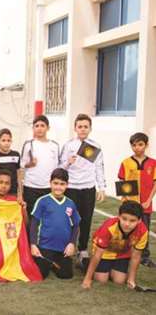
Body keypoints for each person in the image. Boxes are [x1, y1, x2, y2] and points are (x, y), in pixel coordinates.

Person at [60, 114, 106, 266]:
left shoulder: (95, 146)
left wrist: (102, 188)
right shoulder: (68, 145)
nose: (83, 129)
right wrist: (68, 162)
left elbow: (99, 167)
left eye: (86, 126)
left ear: (90, 128)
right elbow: (60, 168)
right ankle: (66, 248)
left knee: (86, 220)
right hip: (72, 188)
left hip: (88, 189)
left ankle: (83, 250)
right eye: (80, 126)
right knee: (69, 221)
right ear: (75, 128)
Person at [81, 201, 148, 290]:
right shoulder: (109, 227)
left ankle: (111, 269)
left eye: (132, 221)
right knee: (101, 280)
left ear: (139, 220)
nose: (127, 224)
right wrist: (87, 278)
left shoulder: (143, 231)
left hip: (122, 255)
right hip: (104, 253)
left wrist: (131, 279)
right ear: (119, 216)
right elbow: (98, 254)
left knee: (119, 281)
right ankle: (85, 262)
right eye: (124, 219)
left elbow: (136, 256)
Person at [30, 168, 79, 279]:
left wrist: (72, 244)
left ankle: (52, 263)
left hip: (63, 248)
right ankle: (46, 261)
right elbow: (34, 224)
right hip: (45, 246)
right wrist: (33, 245)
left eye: (62, 184)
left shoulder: (70, 203)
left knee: (66, 275)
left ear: (67, 185)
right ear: (50, 183)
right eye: (55, 183)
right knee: (41, 274)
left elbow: (76, 225)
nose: (58, 187)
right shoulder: (42, 201)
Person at [118, 132, 156, 267]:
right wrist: (129, 200)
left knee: (144, 229)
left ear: (146, 145)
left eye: (140, 145)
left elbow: (155, 184)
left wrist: (148, 200)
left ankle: (144, 256)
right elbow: (122, 182)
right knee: (126, 228)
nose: (137, 148)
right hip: (129, 204)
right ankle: (124, 253)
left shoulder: (153, 163)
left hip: (145, 204)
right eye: (134, 145)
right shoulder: (126, 162)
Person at [21, 115, 60, 215]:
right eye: (36, 126)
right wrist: (30, 164)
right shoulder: (28, 144)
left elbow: (56, 167)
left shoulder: (54, 146)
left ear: (48, 128)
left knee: (47, 217)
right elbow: (21, 166)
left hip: (48, 187)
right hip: (31, 187)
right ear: (33, 128)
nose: (39, 128)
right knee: (32, 217)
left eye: (42, 125)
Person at [0, 128, 21, 195]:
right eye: (3, 140)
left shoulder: (16, 155)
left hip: (13, 192)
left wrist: (20, 193)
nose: (6, 143)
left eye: (8, 140)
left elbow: (19, 176)